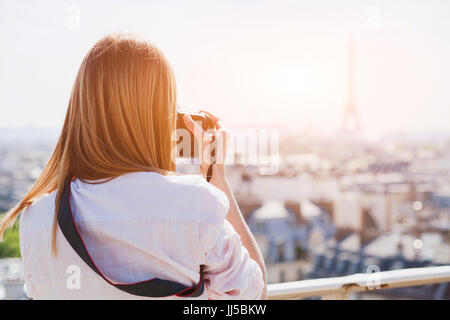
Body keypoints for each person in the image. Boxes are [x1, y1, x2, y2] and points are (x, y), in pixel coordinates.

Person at [0, 34, 267, 299]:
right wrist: (215, 175)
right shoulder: (196, 205)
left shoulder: (36, 219)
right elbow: (254, 295)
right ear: (161, 114)